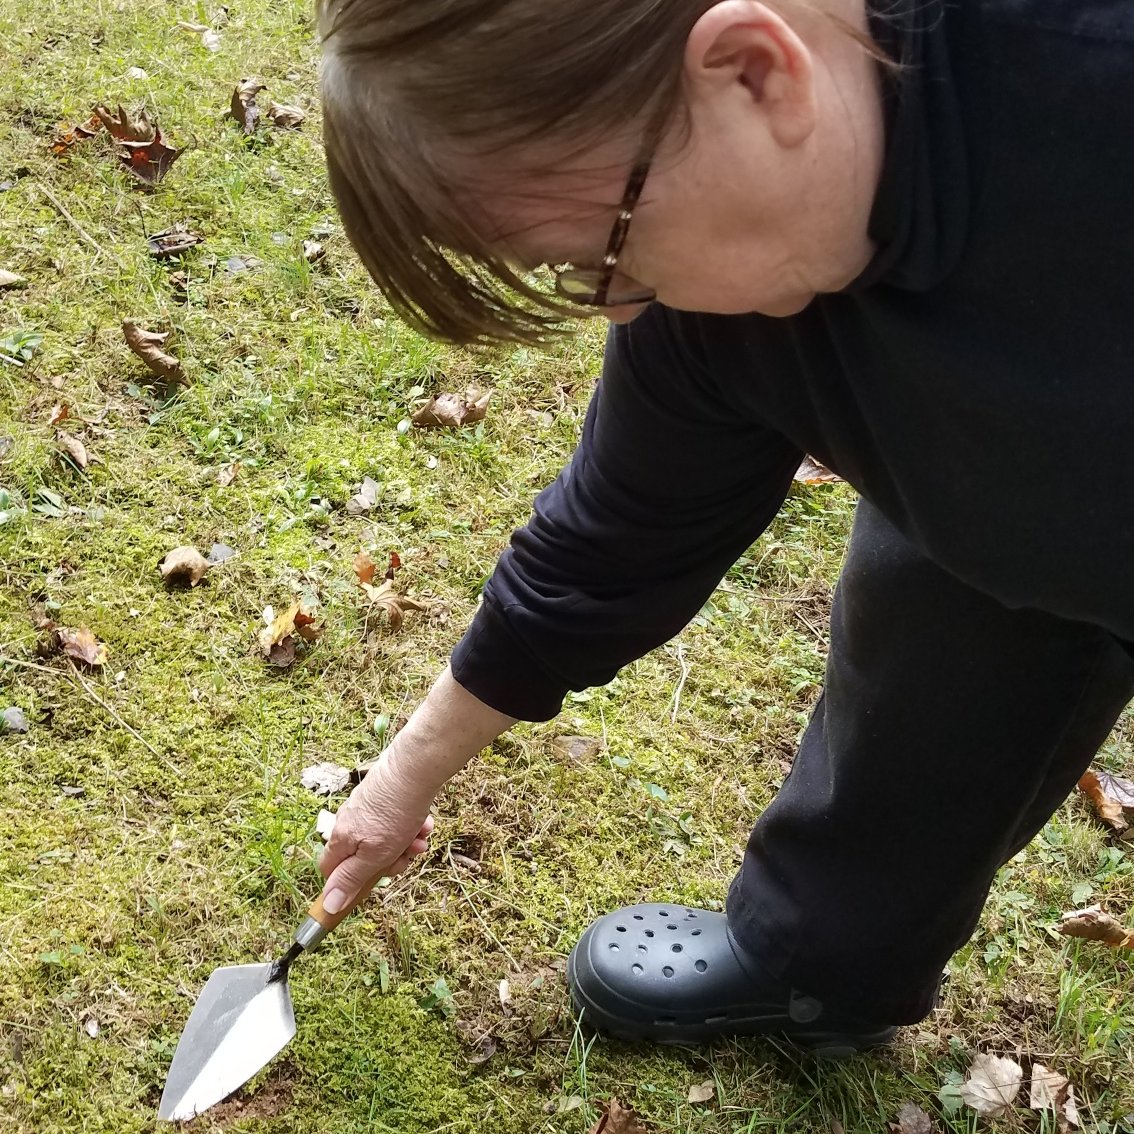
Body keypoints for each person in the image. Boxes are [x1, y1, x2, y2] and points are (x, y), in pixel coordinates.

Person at [312, 0, 1134, 1056]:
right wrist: (401, 781)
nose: (619, 307)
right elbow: (611, 544)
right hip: (1005, 506)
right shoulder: (717, 297)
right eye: (573, 274)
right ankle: (822, 965)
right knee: (938, 628)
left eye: (609, 251)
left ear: (754, 74)